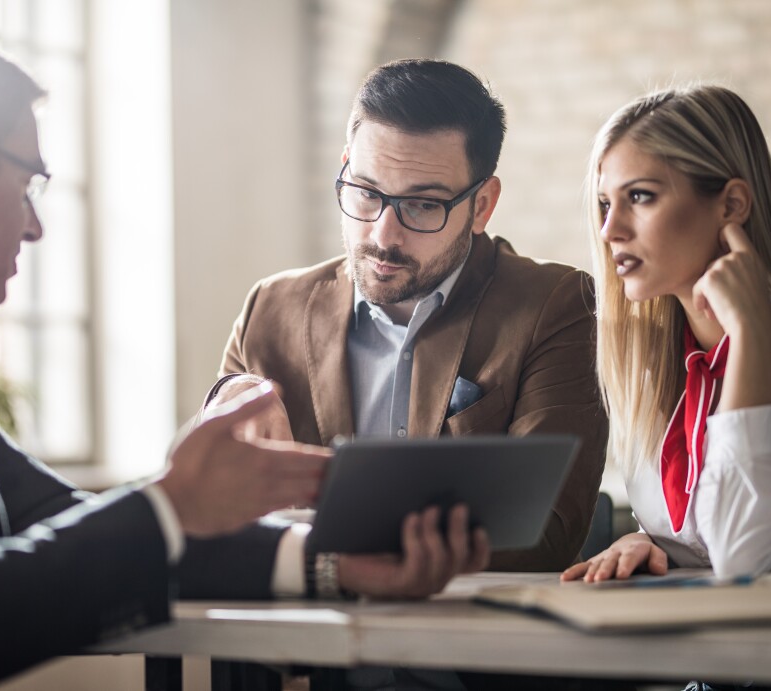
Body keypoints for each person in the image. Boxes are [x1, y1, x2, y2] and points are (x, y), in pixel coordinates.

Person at [0, 23, 488, 691]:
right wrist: (171, 503)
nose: (35, 223)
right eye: (28, 184)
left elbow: (51, 518)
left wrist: (329, 561)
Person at [208, 58, 608, 575]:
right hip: (303, 648)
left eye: (422, 205)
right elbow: (213, 505)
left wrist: (335, 554)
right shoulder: (271, 306)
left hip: (468, 645)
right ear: (346, 166)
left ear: (482, 205)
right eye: (367, 192)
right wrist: (220, 403)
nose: (382, 235)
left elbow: (546, 531)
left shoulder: (559, 305)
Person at [561, 84, 771, 584]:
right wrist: (652, 543)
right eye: (606, 203)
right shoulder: (652, 360)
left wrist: (752, 336)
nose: (610, 230)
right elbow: (705, 538)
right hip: (678, 653)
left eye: (641, 196)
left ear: (731, 204)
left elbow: (747, 555)